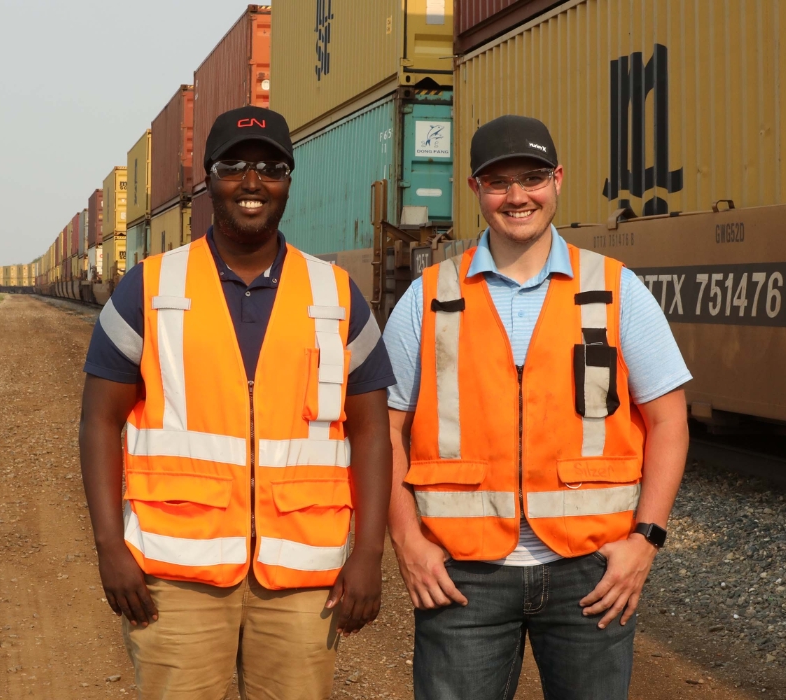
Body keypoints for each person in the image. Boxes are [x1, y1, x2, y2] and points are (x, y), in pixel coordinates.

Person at [79, 106, 395, 700]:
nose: (253, 182)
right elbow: (99, 420)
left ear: (288, 181)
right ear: (208, 181)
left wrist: (370, 555)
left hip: (303, 577)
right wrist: (108, 546)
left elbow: (372, 431)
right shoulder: (149, 287)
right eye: (234, 167)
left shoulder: (336, 294)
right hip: (176, 573)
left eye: (271, 168)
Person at [383, 115, 691, 699]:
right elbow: (386, 429)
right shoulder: (429, 297)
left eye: (532, 178)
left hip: (591, 573)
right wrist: (407, 541)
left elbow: (669, 421)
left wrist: (645, 541)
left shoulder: (616, 289)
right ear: (475, 190)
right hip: (462, 576)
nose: (517, 196)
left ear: (558, 180)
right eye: (498, 182)